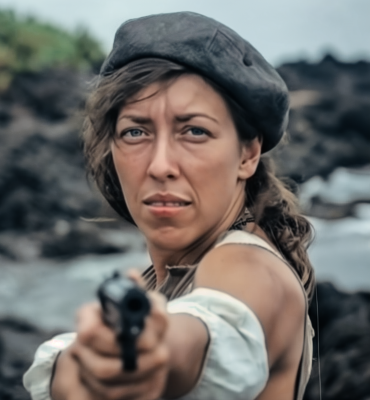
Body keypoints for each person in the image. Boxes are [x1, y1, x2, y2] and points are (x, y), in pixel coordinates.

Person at [23, 11, 315, 400]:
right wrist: (75, 368)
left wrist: (148, 357)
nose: (161, 165)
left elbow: (207, 333)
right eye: (135, 132)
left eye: (194, 131)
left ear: (248, 154)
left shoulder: (247, 265)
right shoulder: (159, 278)